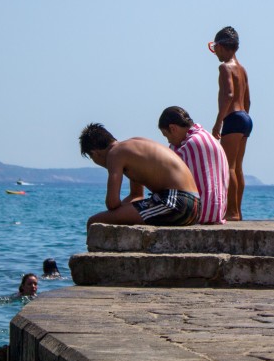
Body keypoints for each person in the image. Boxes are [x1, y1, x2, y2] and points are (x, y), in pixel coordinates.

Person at [80, 123, 200, 227]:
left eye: (91, 157)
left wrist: (115, 213)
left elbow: (112, 203)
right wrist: (121, 213)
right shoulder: (132, 147)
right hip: (194, 205)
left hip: (176, 203)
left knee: (94, 221)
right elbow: (137, 195)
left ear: (94, 153)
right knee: (112, 217)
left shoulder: (114, 154)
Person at [208, 26, 252, 221]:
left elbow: (229, 94)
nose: (214, 51)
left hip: (233, 118)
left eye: (215, 47)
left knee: (229, 167)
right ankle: (238, 211)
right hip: (245, 117)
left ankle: (231, 211)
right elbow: (248, 99)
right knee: (238, 167)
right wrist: (244, 119)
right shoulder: (242, 69)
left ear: (222, 46)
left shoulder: (225, 67)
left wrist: (219, 122)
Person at [159, 106, 228, 224]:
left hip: (198, 214)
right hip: (216, 212)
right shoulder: (206, 136)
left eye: (167, 135)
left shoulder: (189, 145)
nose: (168, 141)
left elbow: (167, 179)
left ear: (173, 128)